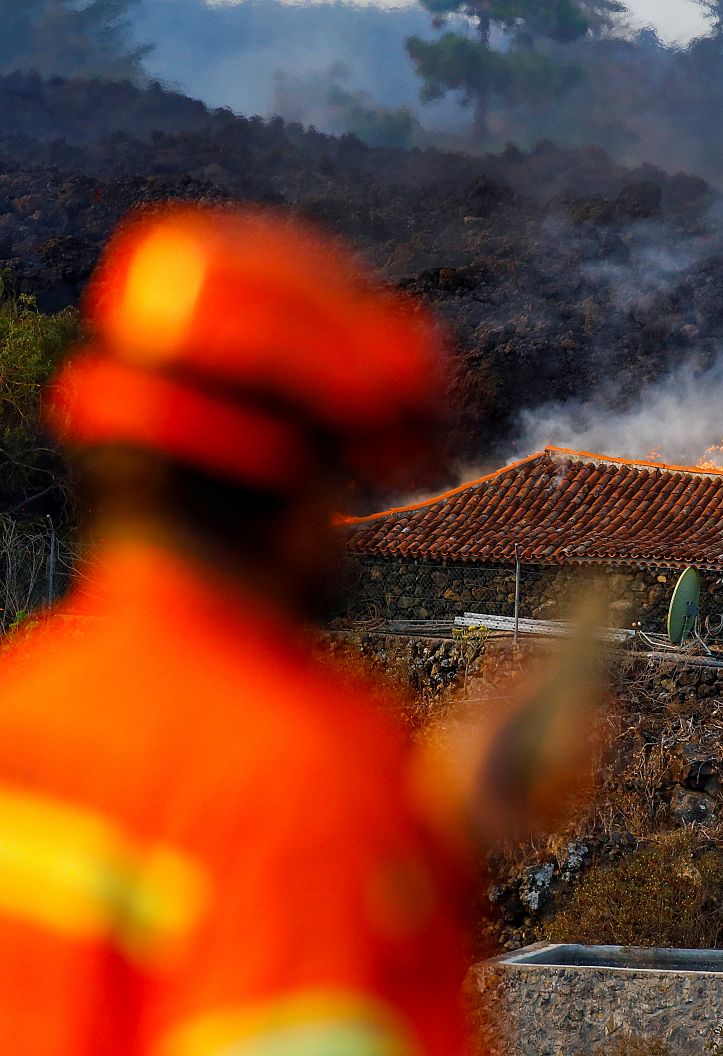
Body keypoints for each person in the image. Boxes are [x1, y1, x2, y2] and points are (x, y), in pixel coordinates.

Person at [0, 205, 594, 1055]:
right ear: (294, 485)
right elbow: (274, 870)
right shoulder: (303, 776)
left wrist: (438, 822)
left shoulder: (23, 699)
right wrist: (372, 846)